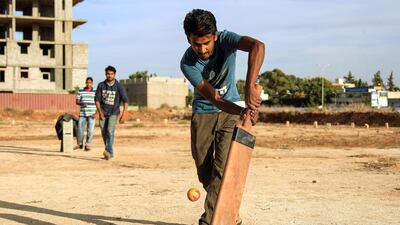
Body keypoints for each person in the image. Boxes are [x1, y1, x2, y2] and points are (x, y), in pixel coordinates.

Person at [180, 9, 265, 225]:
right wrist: (244, 111)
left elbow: (258, 46)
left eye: (206, 42)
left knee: (222, 170)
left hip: (230, 115)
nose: (202, 49)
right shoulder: (187, 63)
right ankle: (229, 213)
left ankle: (211, 220)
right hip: (204, 113)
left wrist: (250, 87)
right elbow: (216, 99)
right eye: (196, 44)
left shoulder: (227, 39)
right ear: (189, 40)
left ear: (215, 36)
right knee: (205, 172)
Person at [95, 65, 129, 160]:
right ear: (105, 74)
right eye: (108, 74)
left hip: (114, 112)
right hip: (103, 112)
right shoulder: (101, 85)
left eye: (111, 74)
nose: (110, 75)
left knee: (110, 131)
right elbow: (97, 100)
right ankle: (110, 151)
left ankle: (108, 151)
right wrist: (100, 113)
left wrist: (124, 114)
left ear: (114, 74)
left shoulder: (119, 86)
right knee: (103, 132)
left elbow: (125, 101)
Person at [75, 77, 97, 151]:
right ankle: (80, 144)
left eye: (90, 83)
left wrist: (96, 113)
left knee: (90, 130)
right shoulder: (81, 91)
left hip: (92, 114)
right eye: (87, 82)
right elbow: (77, 101)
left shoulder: (95, 91)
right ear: (85, 83)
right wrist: (81, 103)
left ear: (92, 83)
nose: (89, 84)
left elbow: (98, 103)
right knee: (80, 129)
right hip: (83, 114)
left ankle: (88, 144)